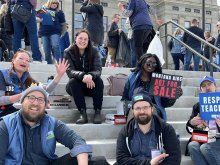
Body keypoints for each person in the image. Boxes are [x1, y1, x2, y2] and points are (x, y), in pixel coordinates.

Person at [0, 86, 92, 164]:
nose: (35, 103)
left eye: (40, 100)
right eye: (31, 98)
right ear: (22, 101)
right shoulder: (6, 124)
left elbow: (76, 141)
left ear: (45, 105)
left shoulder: (52, 123)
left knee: (97, 161)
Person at [115, 93, 181, 165]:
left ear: (152, 109)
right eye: (138, 108)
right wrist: (149, 163)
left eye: (145, 107)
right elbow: (121, 159)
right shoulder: (125, 132)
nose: (142, 111)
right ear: (133, 111)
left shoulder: (166, 129)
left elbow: (174, 159)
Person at [0, 49, 69, 117]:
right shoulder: (3, 75)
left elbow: (46, 90)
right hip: (4, 112)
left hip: (21, 111)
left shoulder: (28, 80)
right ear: (13, 61)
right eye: (21, 58)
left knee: (43, 113)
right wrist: (23, 95)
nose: (24, 61)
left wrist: (59, 75)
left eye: (27, 60)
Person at [122, 53, 182, 121]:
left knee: (151, 109)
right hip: (136, 107)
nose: (151, 65)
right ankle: (131, 130)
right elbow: (125, 98)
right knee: (135, 110)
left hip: (153, 109)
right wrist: (133, 104)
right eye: (149, 62)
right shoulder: (131, 78)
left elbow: (164, 103)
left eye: (154, 64)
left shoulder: (159, 80)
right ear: (143, 62)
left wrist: (173, 96)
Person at [65, 29, 104, 124]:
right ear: (75, 39)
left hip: (90, 85)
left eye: (85, 39)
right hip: (76, 86)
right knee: (73, 81)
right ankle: (83, 113)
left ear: (88, 41)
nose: (83, 41)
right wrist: (83, 76)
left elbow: (98, 69)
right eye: (80, 38)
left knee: (99, 81)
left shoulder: (94, 51)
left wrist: (90, 75)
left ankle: (97, 112)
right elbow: (70, 71)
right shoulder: (68, 52)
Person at [186, 75, 220, 165]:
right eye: (204, 86)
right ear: (201, 90)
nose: (207, 88)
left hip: (218, 138)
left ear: (215, 87)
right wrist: (191, 123)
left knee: (205, 148)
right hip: (204, 136)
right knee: (192, 145)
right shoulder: (198, 106)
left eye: (209, 84)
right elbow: (189, 128)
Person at [37, 0, 67, 64]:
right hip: (44, 32)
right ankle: (49, 64)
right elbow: (35, 18)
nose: (54, 4)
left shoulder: (60, 12)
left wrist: (63, 33)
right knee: (46, 50)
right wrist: (40, 19)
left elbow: (63, 24)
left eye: (56, 3)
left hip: (55, 32)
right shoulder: (43, 10)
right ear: (49, 3)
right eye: (53, 3)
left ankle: (60, 63)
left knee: (55, 45)